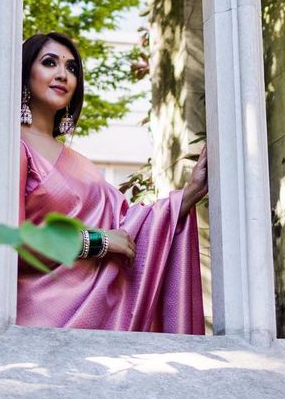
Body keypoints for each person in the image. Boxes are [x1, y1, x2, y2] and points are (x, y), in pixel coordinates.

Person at [18, 30, 206, 333]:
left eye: (72, 68)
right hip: (39, 321)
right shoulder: (15, 146)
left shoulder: (78, 162)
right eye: (50, 63)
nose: (63, 74)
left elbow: (129, 225)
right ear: (26, 74)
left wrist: (190, 193)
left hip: (96, 316)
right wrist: (99, 241)